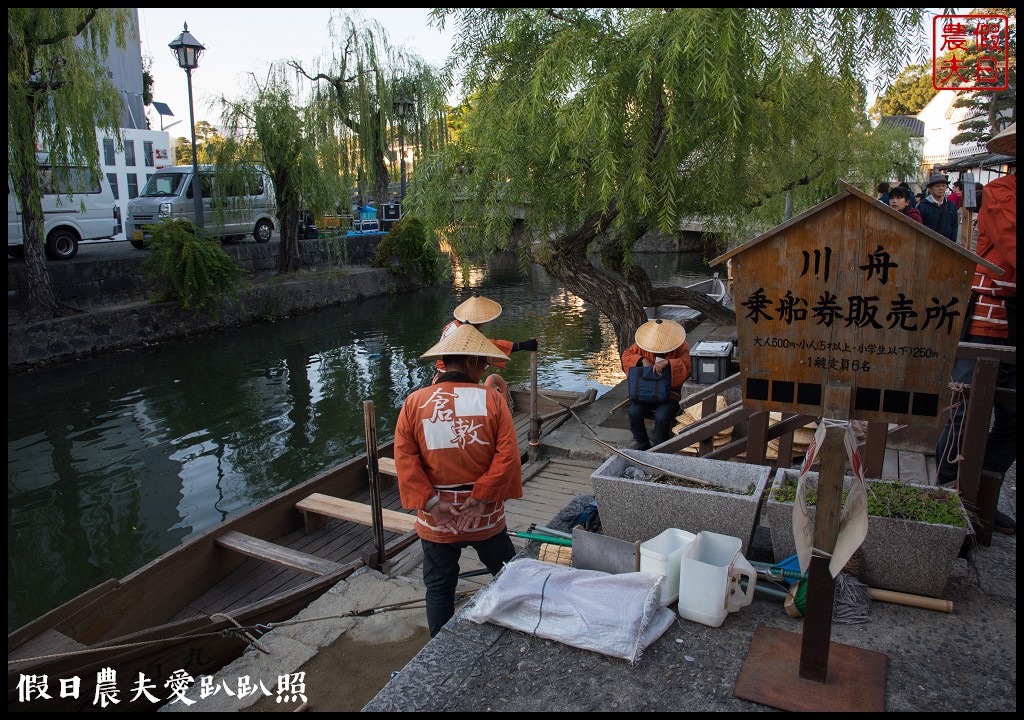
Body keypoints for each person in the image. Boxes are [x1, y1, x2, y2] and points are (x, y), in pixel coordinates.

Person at [394, 323, 523, 636]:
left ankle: (436, 652)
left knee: (438, 586)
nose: (482, 371)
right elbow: (507, 457)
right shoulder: (492, 401)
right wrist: (478, 499)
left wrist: (433, 503)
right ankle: (519, 625)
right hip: (484, 516)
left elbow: (406, 460)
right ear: (469, 363)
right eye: (481, 363)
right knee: (507, 573)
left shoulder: (414, 403)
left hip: (437, 521)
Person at [934, 122, 1016, 535]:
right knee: (963, 407)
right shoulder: (1001, 194)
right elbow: (1012, 250)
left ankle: (982, 493)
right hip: (989, 315)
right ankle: (947, 495)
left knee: (1013, 416)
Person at [436, 292, 538, 411]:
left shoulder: (452, 325)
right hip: (455, 378)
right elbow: (490, 346)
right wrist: (522, 345)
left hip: (441, 377)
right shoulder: (466, 333)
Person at [621, 318, 692, 450]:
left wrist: (669, 363)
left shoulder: (681, 346)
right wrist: (642, 360)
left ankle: (660, 448)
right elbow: (627, 355)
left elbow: (687, 365)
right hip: (646, 390)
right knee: (633, 413)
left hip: (669, 391)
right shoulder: (641, 345)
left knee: (662, 416)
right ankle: (643, 445)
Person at [918, 173, 958, 243]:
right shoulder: (923, 206)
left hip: (947, 244)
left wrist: (953, 242)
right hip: (928, 244)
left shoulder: (951, 205)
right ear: (930, 189)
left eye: (943, 185)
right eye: (937, 186)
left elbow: (954, 226)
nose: (941, 188)